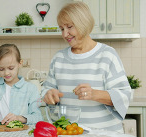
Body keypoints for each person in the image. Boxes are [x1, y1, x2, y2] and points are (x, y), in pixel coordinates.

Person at [41, 1, 131, 133]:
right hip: (69, 133)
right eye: (62, 29)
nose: (65, 34)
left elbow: (124, 95)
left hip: (104, 133)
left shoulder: (107, 55)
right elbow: (46, 89)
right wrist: (48, 94)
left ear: (83, 23)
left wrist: (95, 94)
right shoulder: (58, 58)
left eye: (69, 27)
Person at [0, 44, 43, 125]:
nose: (6, 73)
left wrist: (19, 118)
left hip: (20, 133)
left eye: (11, 68)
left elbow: (38, 117)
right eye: (1, 69)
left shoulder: (30, 89)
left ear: (20, 63)